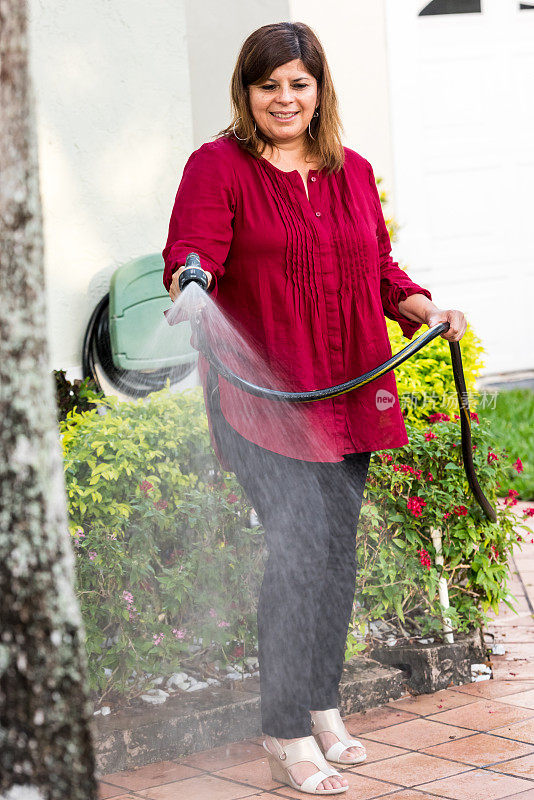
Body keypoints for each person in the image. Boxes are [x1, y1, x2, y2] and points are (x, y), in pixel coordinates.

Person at [163, 21, 467, 796]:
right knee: (297, 553)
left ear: (320, 89)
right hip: (265, 399)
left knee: (336, 555)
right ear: (248, 91)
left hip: (350, 393)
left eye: (299, 83)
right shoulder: (218, 166)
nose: (285, 98)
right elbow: (193, 254)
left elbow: (381, 266)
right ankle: (284, 729)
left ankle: (323, 701)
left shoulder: (352, 170)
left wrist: (422, 306)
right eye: (269, 85)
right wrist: (191, 290)